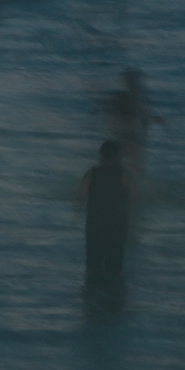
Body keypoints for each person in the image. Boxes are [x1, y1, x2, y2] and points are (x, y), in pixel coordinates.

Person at [78, 139, 132, 302]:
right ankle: (113, 300)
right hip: (118, 224)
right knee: (114, 266)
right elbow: (134, 196)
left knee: (93, 265)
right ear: (118, 156)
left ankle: (92, 299)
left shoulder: (91, 173)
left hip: (95, 222)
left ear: (101, 155)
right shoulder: (124, 174)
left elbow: (80, 197)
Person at [102, 69, 162, 168]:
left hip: (125, 136)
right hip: (132, 136)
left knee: (124, 164)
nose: (139, 83)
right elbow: (142, 115)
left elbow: (111, 111)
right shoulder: (133, 98)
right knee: (135, 165)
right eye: (136, 81)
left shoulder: (123, 97)